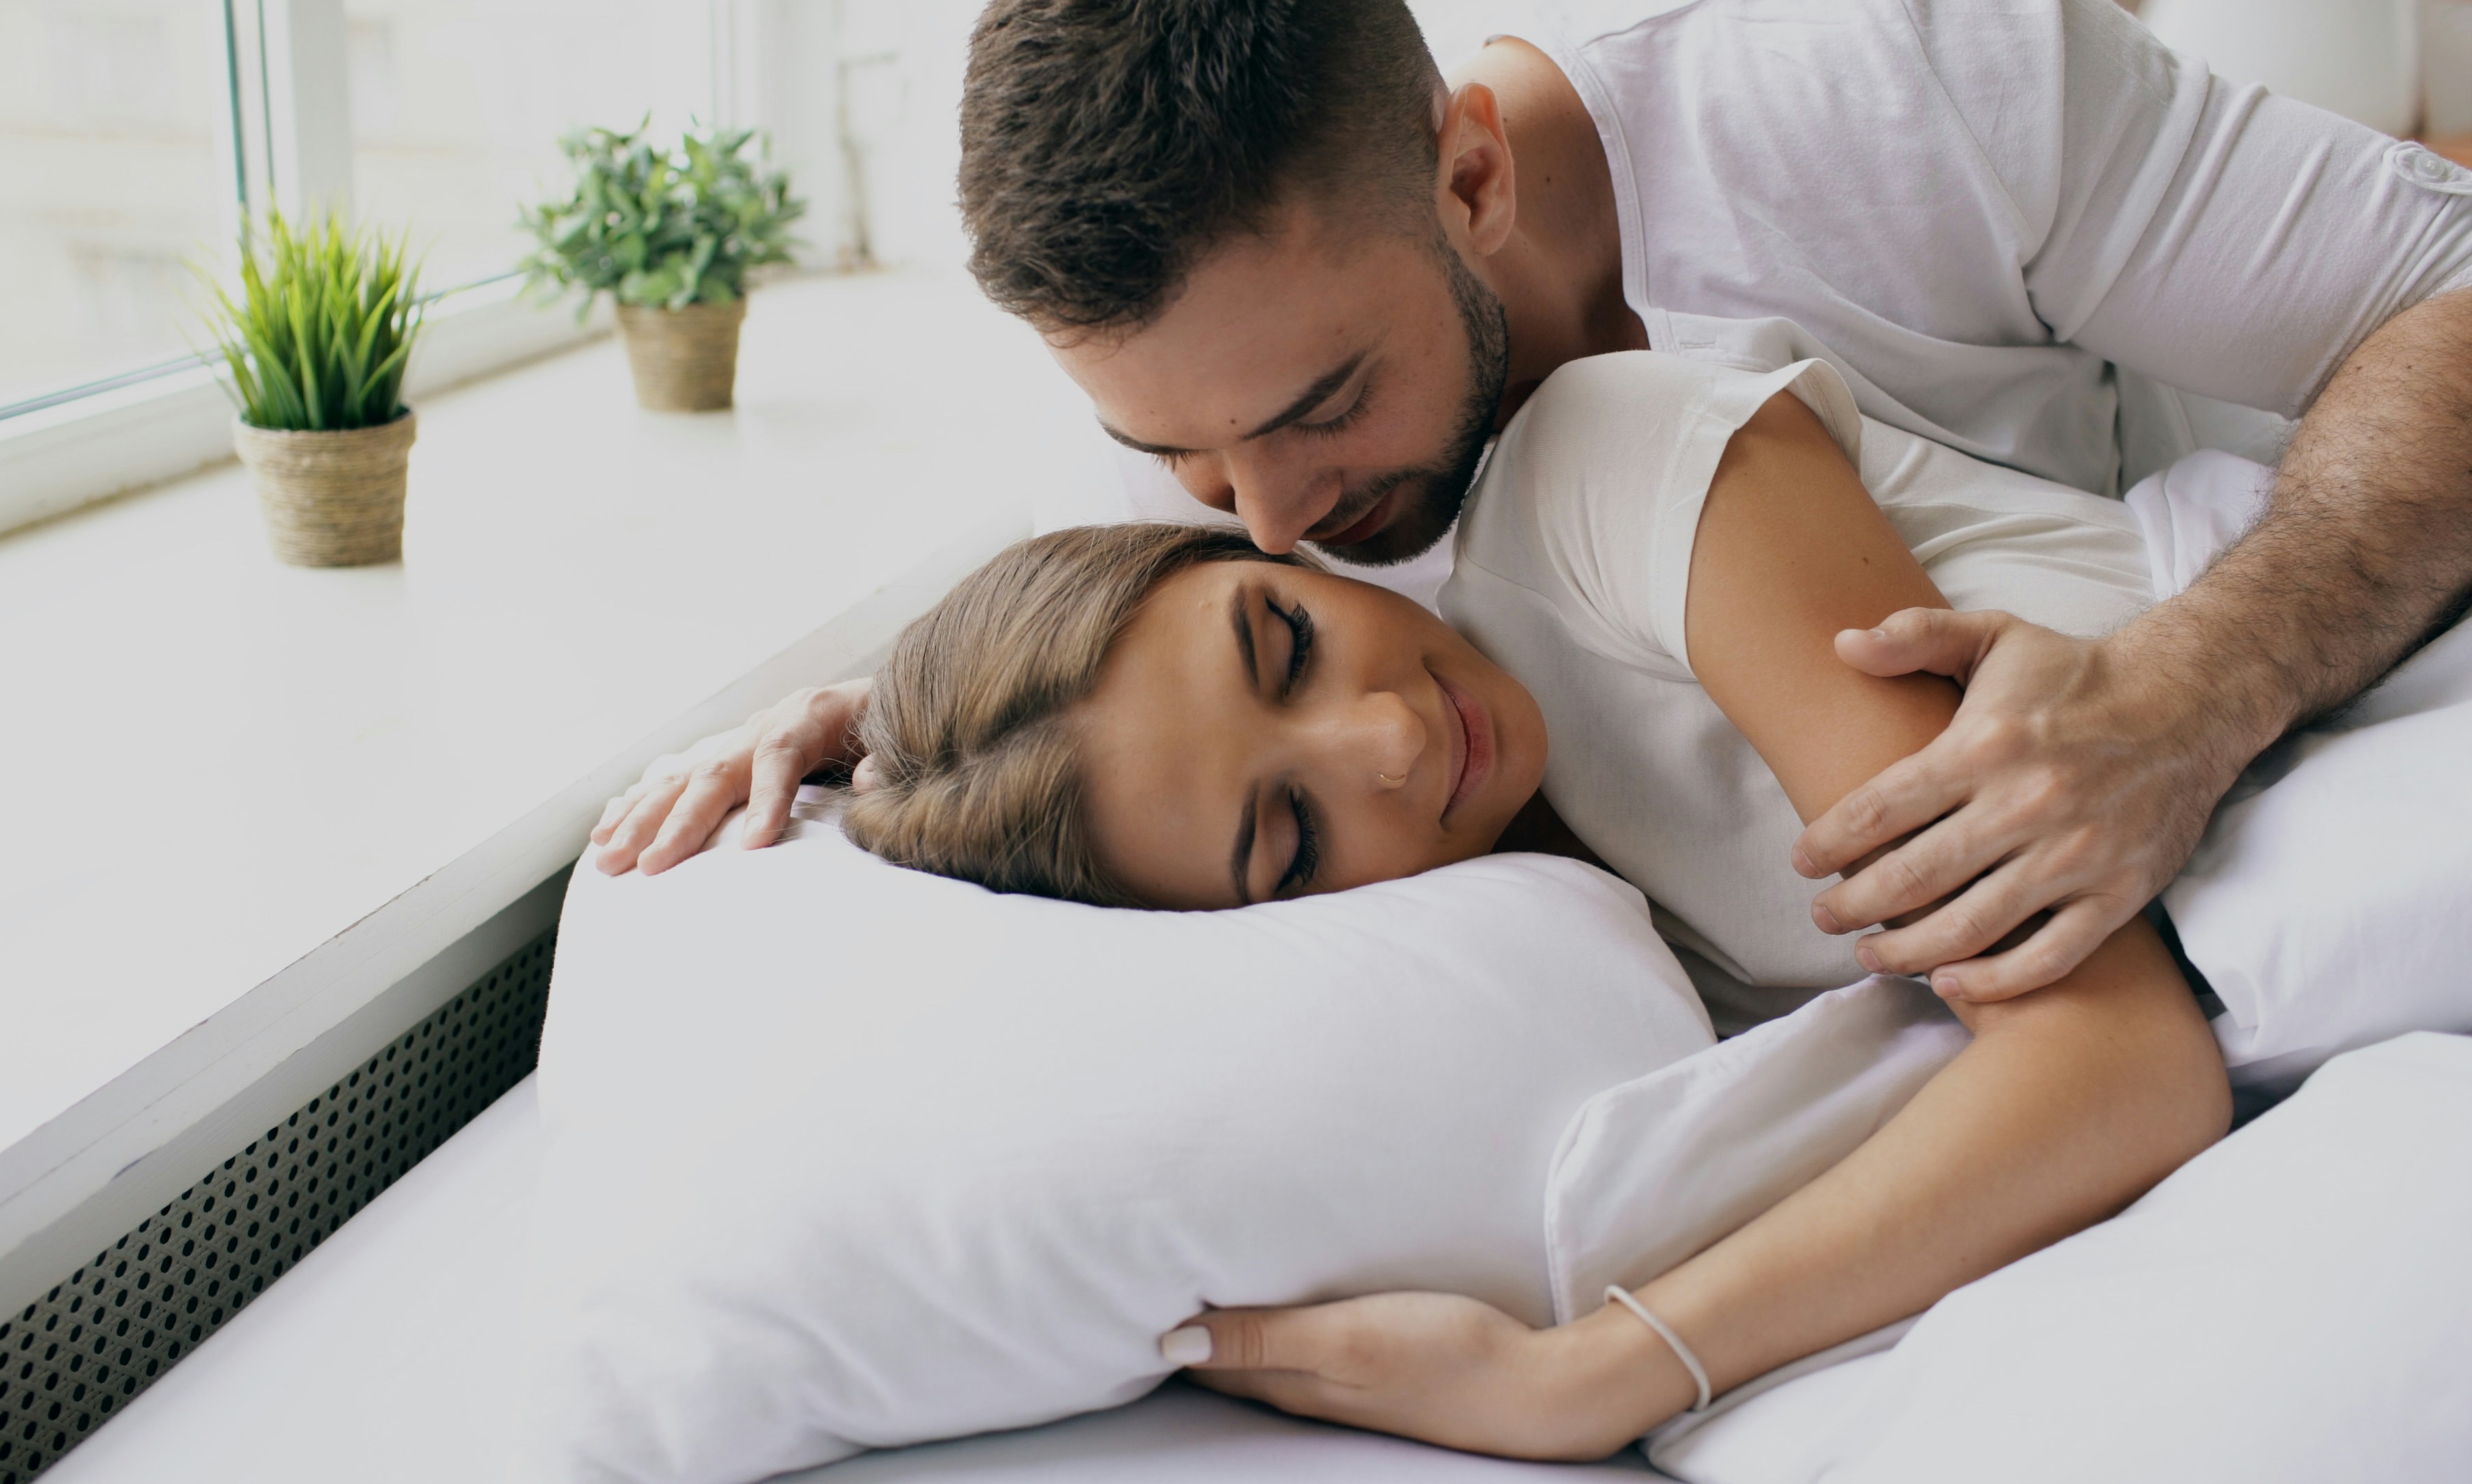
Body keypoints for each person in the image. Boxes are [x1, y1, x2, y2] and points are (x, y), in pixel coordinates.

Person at [592, 0, 2472, 1008]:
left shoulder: (1887, 84)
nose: (1273, 526)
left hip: (2307, 603)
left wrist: (2204, 677)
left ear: (1472, 171)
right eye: (1180, 463)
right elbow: (1099, 653)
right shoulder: (1215, 425)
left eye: (1323, 408)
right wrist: (881, 712)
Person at [827, 346, 2263, 1458]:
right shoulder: (1562, 943)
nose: (1385, 742)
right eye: (1290, 839)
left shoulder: (1592, 484)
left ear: (1269, 553)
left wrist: (1591, 1374)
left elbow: (2122, 1059)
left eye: (1286, 643)